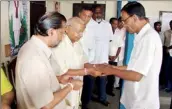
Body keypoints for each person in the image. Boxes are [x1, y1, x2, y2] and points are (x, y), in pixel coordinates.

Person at [90, 2, 162, 109]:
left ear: (134, 18)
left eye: (124, 20)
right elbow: (133, 66)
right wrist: (111, 67)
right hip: (135, 98)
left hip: (142, 102)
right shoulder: (141, 37)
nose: (123, 24)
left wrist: (110, 71)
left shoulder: (149, 38)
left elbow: (136, 75)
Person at [15, 12, 83, 109]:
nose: (62, 37)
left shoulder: (34, 48)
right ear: (51, 32)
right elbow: (45, 105)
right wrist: (71, 86)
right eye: (61, 33)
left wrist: (58, 79)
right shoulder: (34, 59)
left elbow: (39, 78)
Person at [52, 17, 101, 109]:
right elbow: (63, 71)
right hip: (63, 90)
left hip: (76, 88)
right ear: (67, 28)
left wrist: (97, 67)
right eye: (78, 31)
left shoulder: (78, 44)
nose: (81, 35)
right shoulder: (59, 45)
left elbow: (84, 61)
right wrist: (87, 71)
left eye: (82, 32)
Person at [92, 4, 113, 106]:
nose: (98, 14)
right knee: (90, 80)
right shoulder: (88, 24)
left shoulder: (107, 25)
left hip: (103, 57)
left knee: (103, 79)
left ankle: (102, 98)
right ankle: (86, 100)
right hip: (91, 59)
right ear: (92, 13)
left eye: (100, 12)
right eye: (96, 12)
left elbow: (109, 40)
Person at [77, 6, 98, 109]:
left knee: (87, 87)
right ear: (79, 14)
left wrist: (89, 62)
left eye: (89, 16)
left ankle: (84, 105)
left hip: (87, 63)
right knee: (75, 86)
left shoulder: (92, 29)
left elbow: (93, 48)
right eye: (84, 15)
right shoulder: (71, 25)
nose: (86, 18)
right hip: (74, 65)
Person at [107, 17, 118, 96]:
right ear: (110, 24)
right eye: (114, 23)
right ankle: (101, 92)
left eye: (116, 24)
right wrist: (107, 55)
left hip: (114, 59)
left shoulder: (118, 35)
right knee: (103, 76)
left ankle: (109, 91)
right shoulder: (105, 34)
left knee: (112, 77)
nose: (115, 25)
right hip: (105, 58)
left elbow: (119, 47)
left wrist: (115, 56)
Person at [164, 20, 172, 92]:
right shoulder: (166, 32)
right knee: (168, 70)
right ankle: (168, 87)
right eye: (171, 24)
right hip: (168, 54)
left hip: (169, 50)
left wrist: (169, 48)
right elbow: (164, 43)